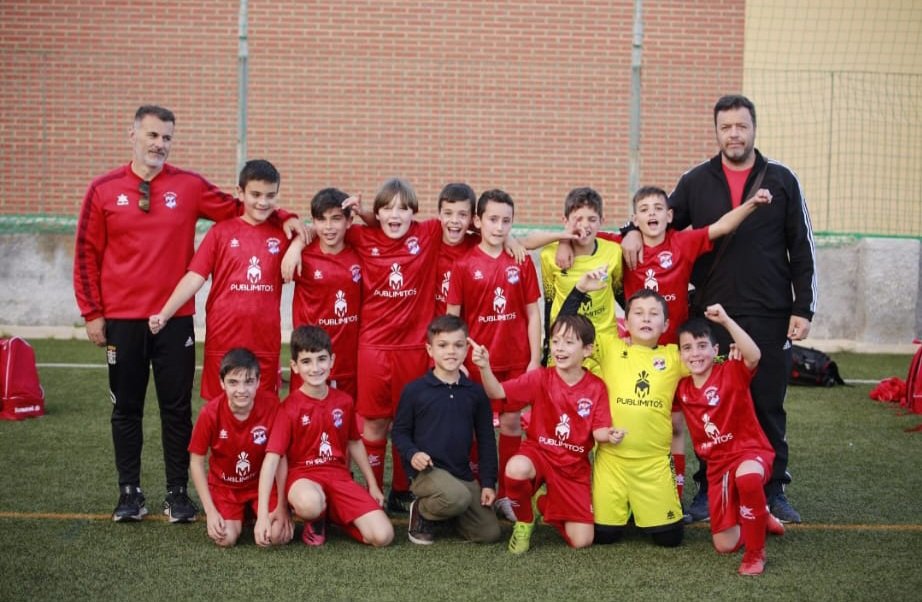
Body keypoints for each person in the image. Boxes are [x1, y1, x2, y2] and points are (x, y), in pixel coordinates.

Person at [73, 105, 304, 523]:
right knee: (126, 407)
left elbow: (246, 206)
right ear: (133, 135)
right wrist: (92, 311)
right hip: (123, 319)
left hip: (176, 319)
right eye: (153, 136)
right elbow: (87, 253)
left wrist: (289, 222)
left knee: (176, 408)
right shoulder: (103, 189)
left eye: (167, 138)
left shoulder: (189, 186)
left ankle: (178, 492)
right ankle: (129, 492)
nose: (160, 144)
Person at [623, 94, 816, 524]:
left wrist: (803, 308)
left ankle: (772, 489)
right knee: (707, 405)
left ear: (753, 129)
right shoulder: (696, 180)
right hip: (712, 315)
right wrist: (627, 234)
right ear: (716, 132)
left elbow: (802, 248)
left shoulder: (782, 180)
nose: (734, 134)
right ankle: (708, 489)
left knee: (766, 403)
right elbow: (660, 218)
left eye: (741, 126)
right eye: (726, 127)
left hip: (769, 311)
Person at [470, 314, 617, 554]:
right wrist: (484, 367)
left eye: (569, 342)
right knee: (516, 468)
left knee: (581, 541)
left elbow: (599, 431)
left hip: (572, 467)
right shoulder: (541, 377)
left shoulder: (596, 387)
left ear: (587, 350)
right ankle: (525, 522)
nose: (560, 348)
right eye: (556, 341)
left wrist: (610, 434)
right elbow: (496, 392)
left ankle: (542, 504)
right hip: (539, 453)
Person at [342, 178, 443, 514]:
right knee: (373, 422)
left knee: (407, 420)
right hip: (373, 347)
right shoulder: (361, 236)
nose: (395, 215)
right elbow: (321, 231)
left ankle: (402, 488)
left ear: (413, 212)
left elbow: (470, 226)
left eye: (402, 208)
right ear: (377, 213)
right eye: (387, 208)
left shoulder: (427, 234)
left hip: (413, 349)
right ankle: (374, 489)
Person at [149, 159, 290, 401]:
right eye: (255, 194)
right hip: (224, 337)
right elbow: (195, 277)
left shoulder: (282, 235)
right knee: (221, 409)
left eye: (270, 195)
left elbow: (311, 244)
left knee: (264, 412)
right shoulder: (220, 233)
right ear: (240, 193)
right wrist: (165, 313)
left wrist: (296, 245)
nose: (263, 202)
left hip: (265, 340)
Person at [560, 283, 687, 548]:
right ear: (625, 321)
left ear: (666, 325)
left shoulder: (675, 357)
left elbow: (711, 358)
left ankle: (643, 506)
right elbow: (565, 327)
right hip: (612, 462)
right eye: (638, 313)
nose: (646, 318)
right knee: (604, 537)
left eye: (653, 314)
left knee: (670, 539)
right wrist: (579, 290)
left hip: (652, 463)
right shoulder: (610, 348)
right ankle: (624, 508)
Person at [446, 188, 542, 521]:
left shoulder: (521, 260)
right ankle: (477, 488)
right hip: (478, 362)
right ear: (478, 221)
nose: (499, 227)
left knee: (513, 421)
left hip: (516, 359)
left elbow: (533, 313)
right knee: (476, 424)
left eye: (506, 221)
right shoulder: (463, 265)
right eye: (492, 220)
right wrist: (457, 357)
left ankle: (506, 494)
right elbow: (453, 318)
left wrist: (534, 358)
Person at [254, 326, 393, 548]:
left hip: (338, 477)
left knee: (383, 536)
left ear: (332, 360)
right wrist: (268, 512)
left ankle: (332, 517)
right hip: (302, 478)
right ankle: (316, 517)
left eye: (321, 359)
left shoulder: (344, 401)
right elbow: (273, 460)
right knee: (309, 504)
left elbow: (354, 442)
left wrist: (373, 484)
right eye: (307, 361)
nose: (316, 368)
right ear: (295, 367)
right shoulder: (288, 408)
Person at [675, 305, 787, 576]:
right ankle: (761, 514)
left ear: (716, 351)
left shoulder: (731, 371)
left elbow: (754, 355)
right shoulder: (682, 389)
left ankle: (755, 554)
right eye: (687, 348)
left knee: (748, 479)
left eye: (702, 346)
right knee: (724, 545)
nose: (695, 353)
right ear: (680, 355)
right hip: (717, 466)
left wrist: (726, 320)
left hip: (750, 452)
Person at [391, 315, 501, 545]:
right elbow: (399, 432)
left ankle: (448, 514)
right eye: (443, 345)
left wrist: (489, 483)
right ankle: (421, 510)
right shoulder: (415, 390)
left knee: (489, 533)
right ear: (430, 350)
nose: (451, 352)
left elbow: (486, 440)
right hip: (427, 472)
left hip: (461, 474)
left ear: (466, 350)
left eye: (458, 345)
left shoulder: (475, 392)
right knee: (456, 497)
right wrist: (413, 454)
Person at [618, 185, 771, 344]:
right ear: (635, 220)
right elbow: (593, 239)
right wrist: (627, 232)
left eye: (658, 208)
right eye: (644, 209)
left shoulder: (682, 242)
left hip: (676, 344)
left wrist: (753, 203)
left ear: (669, 215)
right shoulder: (623, 246)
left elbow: (722, 226)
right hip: (636, 345)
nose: (651, 213)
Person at [187, 348, 293, 547]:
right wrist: (210, 511)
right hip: (226, 487)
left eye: (248, 382)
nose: (241, 390)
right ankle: (240, 514)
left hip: (261, 485)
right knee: (225, 538)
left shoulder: (271, 406)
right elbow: (196, 461)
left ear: (258, 381)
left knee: (277, 536)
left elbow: (277, 458)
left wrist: (280, 507)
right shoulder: (210, 413)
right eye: (233, 382)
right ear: (221, 383)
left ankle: (254, 512)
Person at [288, 188, 362, 399]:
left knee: (344, 424)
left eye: (336, 219)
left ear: (349, 221)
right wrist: (296, 245)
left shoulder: (359, 253)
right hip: (310, 360)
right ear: (313, 222)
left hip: (348, 361)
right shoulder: (302, 256)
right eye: (321, 219)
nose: (328, 227)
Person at [539, 187, 623, 374]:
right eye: (578, 219)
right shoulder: (549, 255)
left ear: (602, 221)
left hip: (604, 339)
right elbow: (549, 300)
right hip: (565, 339)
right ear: (565, 221)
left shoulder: (614, 252)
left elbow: (619, 292)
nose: (585, 225)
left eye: (592, 219)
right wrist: (548, 343)